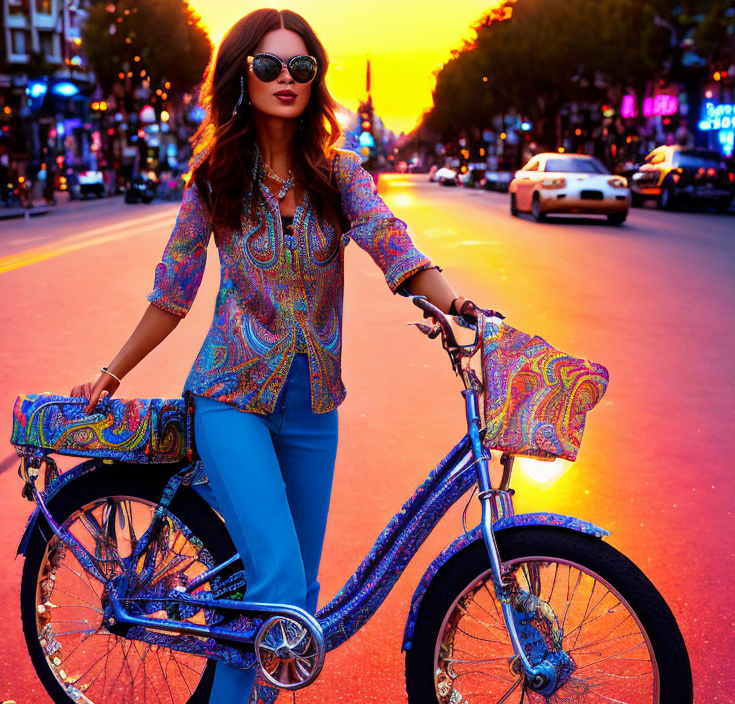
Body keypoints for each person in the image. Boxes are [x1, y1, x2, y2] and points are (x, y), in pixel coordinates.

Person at [70, 9, 480, 703]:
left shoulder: (341, 174)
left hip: (313, 405)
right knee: (281, 592)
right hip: (230, 399)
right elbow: (173, 293)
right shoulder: (215, 179)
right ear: (242, 77)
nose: (285, 79)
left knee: (288, 605)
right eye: (268, 66)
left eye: (300, 67)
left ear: (315, 80)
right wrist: (113, 373)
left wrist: (458, 306)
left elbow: (393, 245)